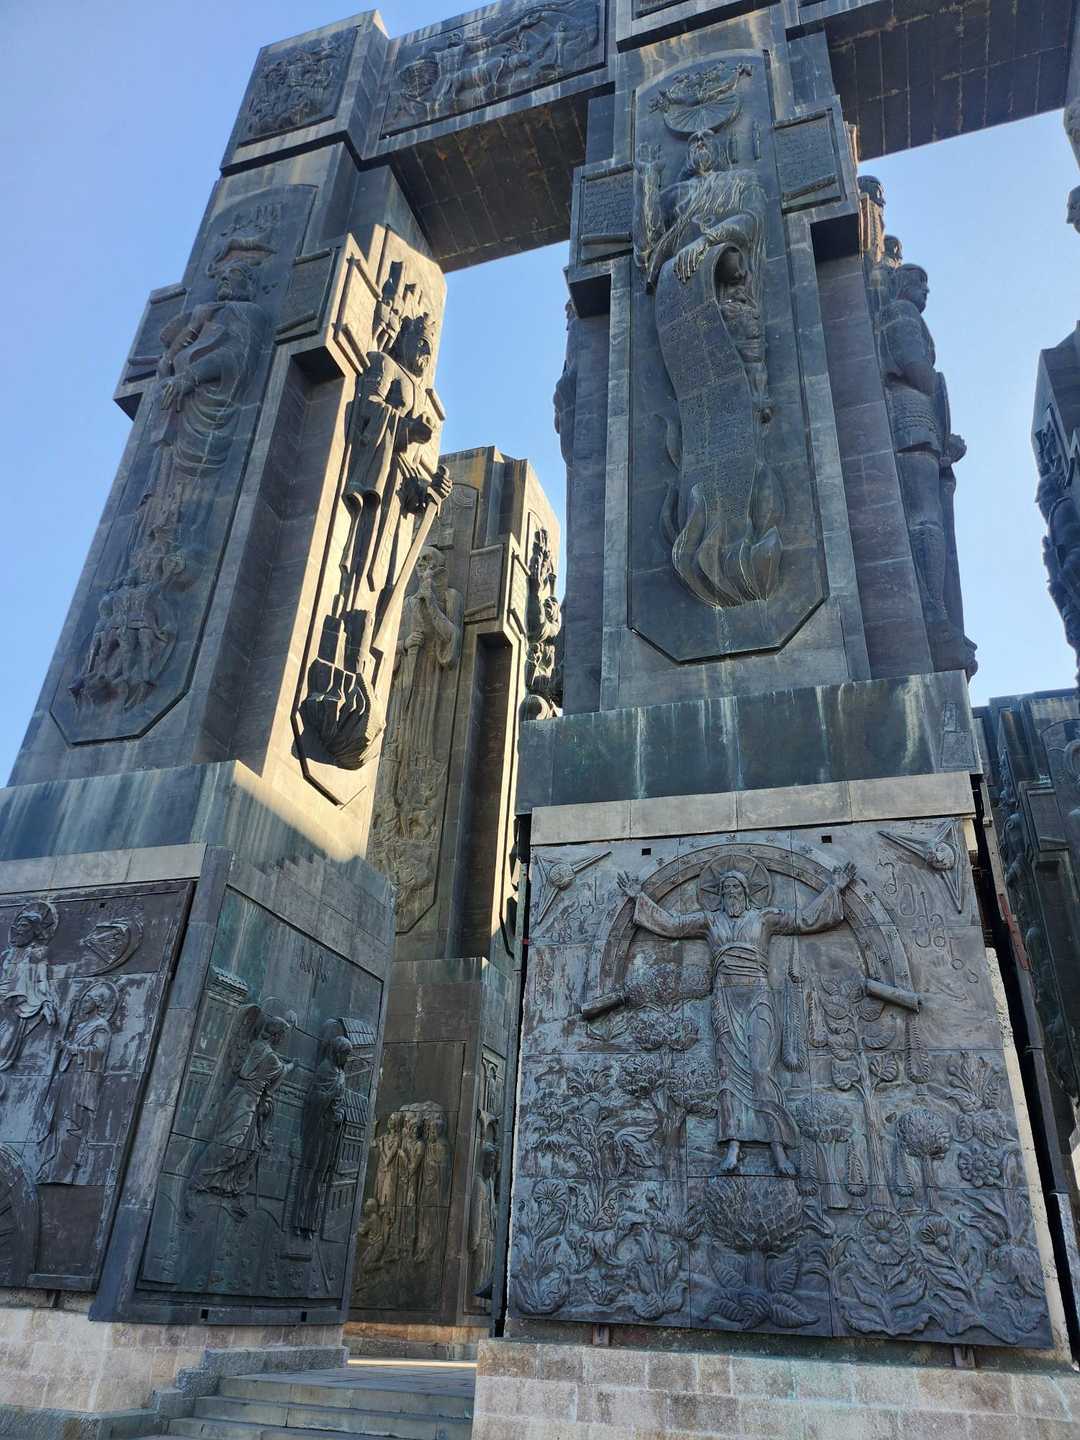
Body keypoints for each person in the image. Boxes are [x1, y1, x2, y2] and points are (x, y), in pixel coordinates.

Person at [602, 860, 856, 1177]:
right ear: (719, 895)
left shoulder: (764, 918)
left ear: (747, 892)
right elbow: (673, 925)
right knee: (729, 1074)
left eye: (736, 887)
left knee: (761, 1070)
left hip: (758, 997)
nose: (731, 892)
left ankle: (778, 1148)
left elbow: (804, 919)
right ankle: (733, 1146)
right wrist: (639, 897)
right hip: (725, 1000)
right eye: (726, 889)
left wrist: (834, 889)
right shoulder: (710, 921)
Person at [37, 981, 119, 1184]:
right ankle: (51, 1164)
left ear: (98, 1004)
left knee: (71, 1122)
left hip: (82, 1080)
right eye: (83, 1000)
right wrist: (65, 1047)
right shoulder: (81, 1026)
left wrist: (72, 1048)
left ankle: (64, 1171)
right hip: (69, 1077)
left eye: (87, 1000)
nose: (83, 1003)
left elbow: (98, 1052)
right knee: (58, 1120)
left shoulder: (101, 1026)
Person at [0, 901, 60, 1072]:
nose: (19, 929)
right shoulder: (6, 954)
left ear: (35, 930)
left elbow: (42, 978)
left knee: (7, 1037)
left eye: (24, 926)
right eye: (18, 926)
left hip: (15, 1001)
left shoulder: (38, 953)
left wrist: (47, 1002)